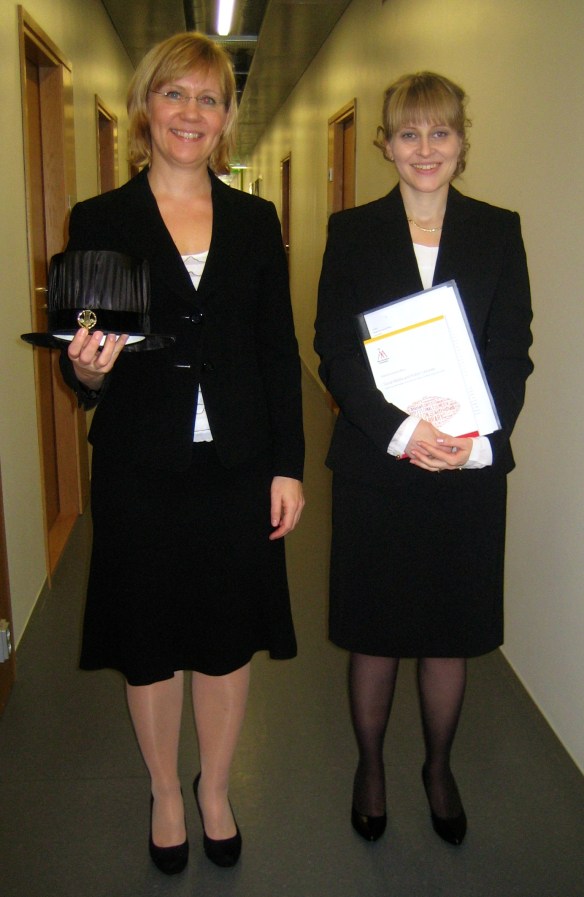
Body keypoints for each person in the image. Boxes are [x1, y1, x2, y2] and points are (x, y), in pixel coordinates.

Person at [59, 32, 305, 875]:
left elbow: (279, 349)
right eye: (175, 96)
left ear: (226, 117)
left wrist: (289, 465)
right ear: (145, 109)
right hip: (139, 463)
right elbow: (86, 355)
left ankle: (216, 787)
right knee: (151, 637)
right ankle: (166, 787)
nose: (190, 114)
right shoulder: (100, 220)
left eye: (208, 99)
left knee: (226, 637)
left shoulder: (253, 219)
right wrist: (84, 373)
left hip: (237, 465)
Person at [314, 71, 532, 846]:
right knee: (375, 631)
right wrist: (401, 433)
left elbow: (512, 350)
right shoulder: (351, 232)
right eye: (409, 133)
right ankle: (371, 765)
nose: (426, 148)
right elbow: (335, 350)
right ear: (385, 145)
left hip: (467, 467)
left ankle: (438, 766)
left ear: (463, 142)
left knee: (448, 632)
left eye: (441, 132)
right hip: (380, 465)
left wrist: (477, 434)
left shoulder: (499, 230)